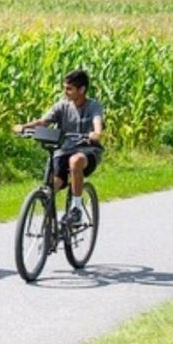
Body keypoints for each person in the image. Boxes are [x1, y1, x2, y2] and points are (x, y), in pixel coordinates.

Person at [13, 68, 104, 226]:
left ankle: (76, 209)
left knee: (75, 162)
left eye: (69, 88)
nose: (65, 92)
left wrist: (96, 133)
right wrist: (24, 127)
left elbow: (98, 122)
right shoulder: (62, 106)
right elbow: (43, 122)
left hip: (87, 151)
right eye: (64, 87)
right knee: (50, 188)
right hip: (64, 150)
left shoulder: (93, 106)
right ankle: (50, 229)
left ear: (82, 90)